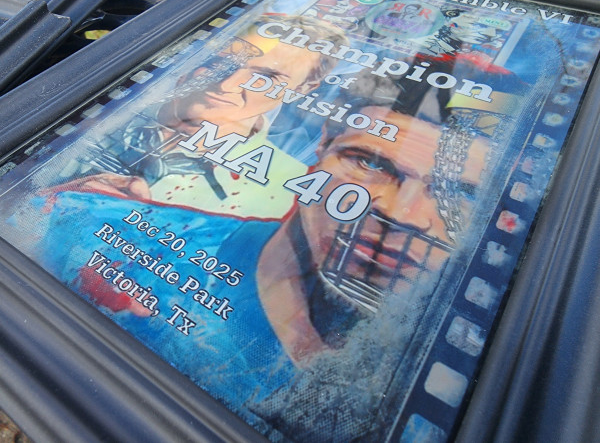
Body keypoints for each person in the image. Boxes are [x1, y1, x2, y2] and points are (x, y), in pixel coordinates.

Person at [24, 105, 489, 427]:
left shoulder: (468, 386)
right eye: (369, 162)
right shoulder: (86, 225)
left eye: (462, 194)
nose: (403, 214)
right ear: (321, 150)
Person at [76, 14, 347, 217]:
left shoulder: (288, 191)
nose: (227, 84)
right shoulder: (106, 104)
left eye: (265, 78)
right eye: (221, 62)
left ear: (302, 89)